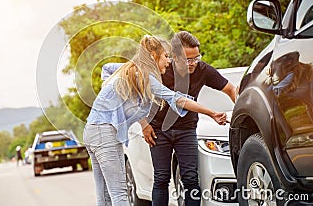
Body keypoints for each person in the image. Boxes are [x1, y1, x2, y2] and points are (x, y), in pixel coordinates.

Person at [83, 35, 227, 206]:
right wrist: (212, 113)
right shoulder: (146, 77)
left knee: (104, 194)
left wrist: (109, 94)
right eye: (166, 56)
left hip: (92, 131)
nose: (169, 61)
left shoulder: (131, 70)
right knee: (119, 193)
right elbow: (178, 99)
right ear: (153, 56)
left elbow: (106, 68)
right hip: (104, 133)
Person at [141, 31, 236, 206]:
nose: (193, 63)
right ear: (174, 56)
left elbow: (231, 89)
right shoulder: (162, 67)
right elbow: (138, 97)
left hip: (187, 130)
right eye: (188, 59)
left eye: (196, 58)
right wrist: (144, 124)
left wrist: (240, 116)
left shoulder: (203, 70)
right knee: (161, 177)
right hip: (158, 131)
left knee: (191, 178)